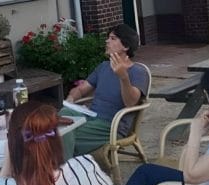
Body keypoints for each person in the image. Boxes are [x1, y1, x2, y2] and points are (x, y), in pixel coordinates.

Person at [61, 24, 150, 159]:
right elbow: (81, 89)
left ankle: (63, 167)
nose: (107, 41)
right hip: (91, 117)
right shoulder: (103, 67)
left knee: (64, 133)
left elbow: (130, 103)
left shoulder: (138, 72)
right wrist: (70, 99)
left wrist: (123, 77)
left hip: (111, 125)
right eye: (108, 38)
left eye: (113, 38)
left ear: (126, 46)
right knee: (63, 116)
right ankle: (63, 159)